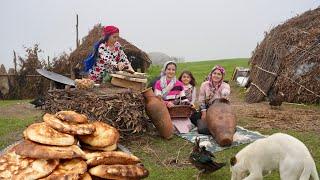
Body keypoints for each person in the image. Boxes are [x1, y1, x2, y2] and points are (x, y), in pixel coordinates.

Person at [154, 61, 193, 133]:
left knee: (187, 126)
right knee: (169, 127)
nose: (171, 71)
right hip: (163, 109)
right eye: (169, 69)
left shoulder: (179, 84)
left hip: (175, 110)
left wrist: (189, 104)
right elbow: (157, 99)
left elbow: (183, 98)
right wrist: (166, 103)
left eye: (173, 70)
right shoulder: (158, 83)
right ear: (165, 70)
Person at [192, 65, 231, 134]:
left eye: (219, 74)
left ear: (222, 76)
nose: (216, 75)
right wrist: (204, 113)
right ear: (211, 74)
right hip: (207, 108)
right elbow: (201, 100)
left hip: (220, 110)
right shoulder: (205, 85)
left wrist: (225, 94)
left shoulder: (225, 86)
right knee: (194, 117)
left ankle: (215, 127)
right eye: (214, 73)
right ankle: (212, 127)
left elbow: (225, 92)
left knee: (218, 122)